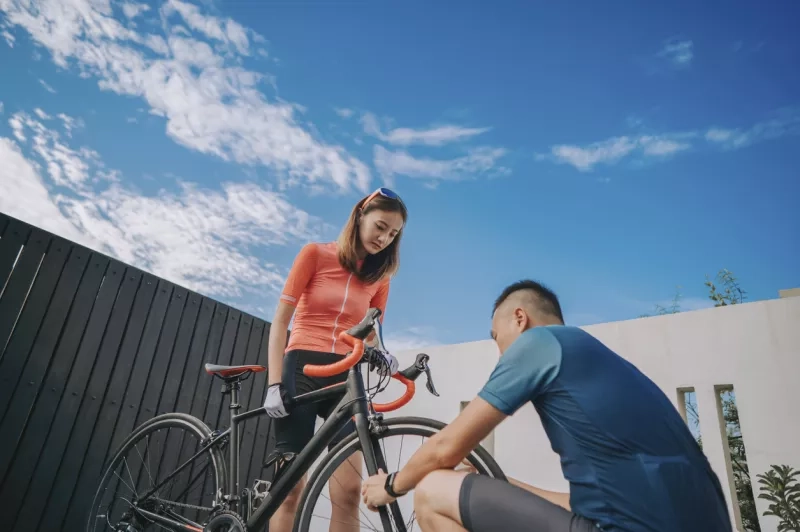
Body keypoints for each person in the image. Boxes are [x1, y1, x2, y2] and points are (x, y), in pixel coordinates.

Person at [362, 279, 733, 531]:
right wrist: (497, 483)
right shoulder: (600, 361)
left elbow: (445, 446)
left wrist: (392, 485)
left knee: (431, 491)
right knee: (459, 483)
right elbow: (582, 504)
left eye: (497, 337)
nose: (499, 350)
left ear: (519, 319)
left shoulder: (538, 343)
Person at [263, 187, 408, 532]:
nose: (385, 238)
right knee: (290, 491)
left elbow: (372, 331)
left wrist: (383, 353)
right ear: (360, 215)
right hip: (302, 367)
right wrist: (273, 383)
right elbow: (281, 320)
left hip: (346, 375)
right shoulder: (314, 254)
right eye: (381, 226)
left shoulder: (381, 277)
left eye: (393, 234)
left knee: (349, 491)